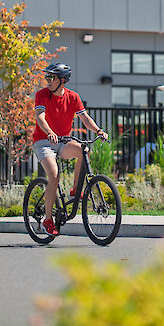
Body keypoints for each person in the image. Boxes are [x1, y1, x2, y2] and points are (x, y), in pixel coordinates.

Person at [31, 61, 107, 237]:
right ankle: (48, 220)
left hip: (63, 141)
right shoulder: (42, 95)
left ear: (62, 80)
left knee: (84, 150)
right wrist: (49, 132)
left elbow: (85, 118)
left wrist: (98, 131)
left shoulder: (73, 97)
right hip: (44, 141)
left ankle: (75, 190)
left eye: (51, 77)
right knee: (54, 176)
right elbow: (40, 117)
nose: (47, 80)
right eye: (47, 77)